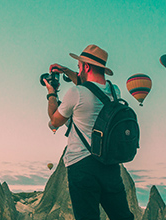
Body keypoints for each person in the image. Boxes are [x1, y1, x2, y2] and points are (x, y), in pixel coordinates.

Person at [43, 44, 134, 220]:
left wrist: (51, 93)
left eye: (79, 66)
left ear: (86, 67)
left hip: (81, 166)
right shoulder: (115, 91)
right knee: (122, 216)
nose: (77, 70)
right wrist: (66, 70)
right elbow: (92, 88)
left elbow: (54, 121)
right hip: (110, 165)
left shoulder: (75, 93)